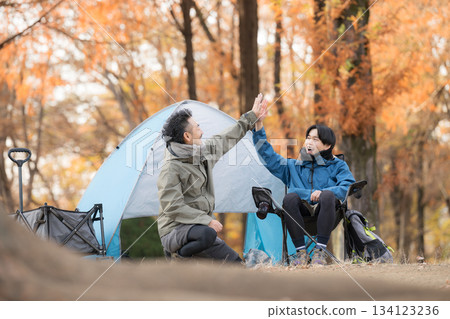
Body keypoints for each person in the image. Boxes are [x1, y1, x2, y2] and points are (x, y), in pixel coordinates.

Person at [157, 94, 267, 263]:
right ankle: (179, 257)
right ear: (187, 136)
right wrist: (206, 220)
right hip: (174, 230)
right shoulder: (170, 168)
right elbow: (173, 206)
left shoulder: (202, 153)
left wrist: (252, 116)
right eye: (198, 127)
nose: (202, 131)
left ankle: (194, 255)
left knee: (236, 265)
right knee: (208, 233)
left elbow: (226, 138)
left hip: (200, 229)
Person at [253, 111, 355, 266]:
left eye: (315, 139)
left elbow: (348, 186)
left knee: (328, 195)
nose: (309, 142)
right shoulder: (292, 166)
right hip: (302, 215)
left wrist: (322, 193)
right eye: (308, 138)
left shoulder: (338, 165)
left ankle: (319, 251)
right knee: (289, 198)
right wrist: (259, 125)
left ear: (327, 145)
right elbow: (268, 156)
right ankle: (301, 253)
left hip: (328, 213)